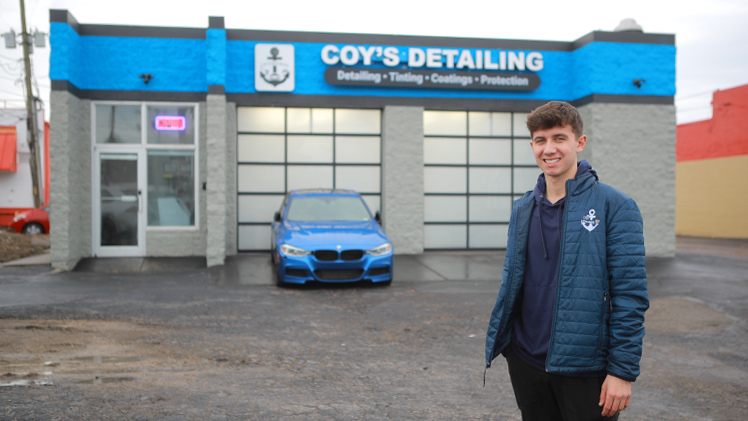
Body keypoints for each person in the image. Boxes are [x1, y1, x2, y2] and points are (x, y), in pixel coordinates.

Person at [484, 101, 649, 420]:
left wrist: (622, 372)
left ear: (579, 142)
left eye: (559, 138)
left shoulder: (615, 206)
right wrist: (507, 346)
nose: (550, 149)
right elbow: (512, 280)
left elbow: (630, 296)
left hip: (586, 368)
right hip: (526, 361)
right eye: (541, 140)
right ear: (532, 146)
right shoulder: (522, 209)